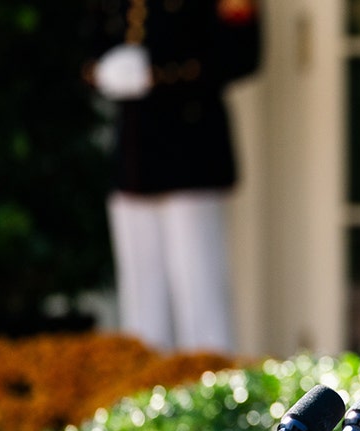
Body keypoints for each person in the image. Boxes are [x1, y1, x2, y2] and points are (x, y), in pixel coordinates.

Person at [83, 0, 261, 353]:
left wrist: (157, 75)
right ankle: (146, 396)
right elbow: (93, 38)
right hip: (133, 153)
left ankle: (212, 390)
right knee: (141, 299)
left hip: (190, 148)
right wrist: (102, 71)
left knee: (201, 293)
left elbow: (241, 54)